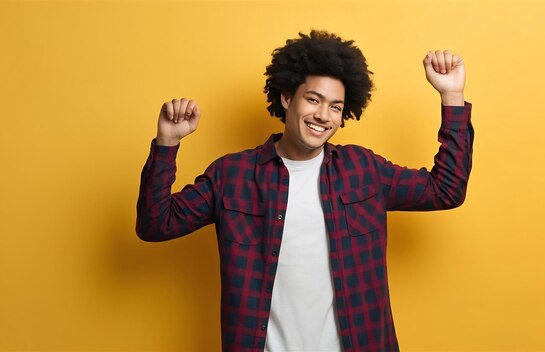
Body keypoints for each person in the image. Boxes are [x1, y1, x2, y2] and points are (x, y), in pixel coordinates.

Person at [136, 30, 473, 352]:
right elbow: (156, 224)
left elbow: (445, 190)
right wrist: (167, 141)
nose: (322, 116)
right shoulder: (232, 175)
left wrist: (452, 96)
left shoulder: (364, 170)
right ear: (287, 98)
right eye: (313, 99)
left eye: (336, 107)